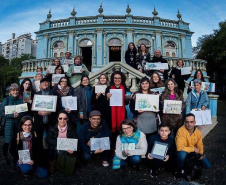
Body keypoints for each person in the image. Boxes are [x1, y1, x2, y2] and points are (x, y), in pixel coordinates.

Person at [175, 113, 211, 179]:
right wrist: (193, 149)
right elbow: (179, 147)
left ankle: (188, 165)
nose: (189, 124)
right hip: (184, 151)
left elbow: (200, 145)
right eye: (187, 122)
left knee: (207, 165)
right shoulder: (180, 131)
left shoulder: (198, 132)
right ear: (184, 122)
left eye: (191, 122)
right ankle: (180, 170)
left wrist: (200, 154)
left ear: (195, 122)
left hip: (193, 153)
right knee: (181, 154)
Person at [0, 83, 25, 165]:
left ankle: (14, 156)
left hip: (17, 124)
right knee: (7, 141)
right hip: (8, 124)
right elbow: (2, 113)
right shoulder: (6, 100)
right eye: (13, 90)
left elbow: (23, 113)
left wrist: (19, 115)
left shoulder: (20, 100)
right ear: (10, 91)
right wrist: (11, 115)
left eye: (17, 90)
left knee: (15, 141)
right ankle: (5, 156)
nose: (15, 92)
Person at [33, 78, 56, 148]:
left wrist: (51, 111)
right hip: (39, 120)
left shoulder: (53, 93)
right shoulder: (36, 94)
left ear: (49, 84)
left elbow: (58, 106)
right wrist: (38, 112)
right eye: (43, 83)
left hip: (50, 120)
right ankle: (40, 156)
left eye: (46, 82)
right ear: (40, 85)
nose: (45, 84)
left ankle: (50, 157)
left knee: (50, 139)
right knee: (39, 139)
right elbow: (33, 108)